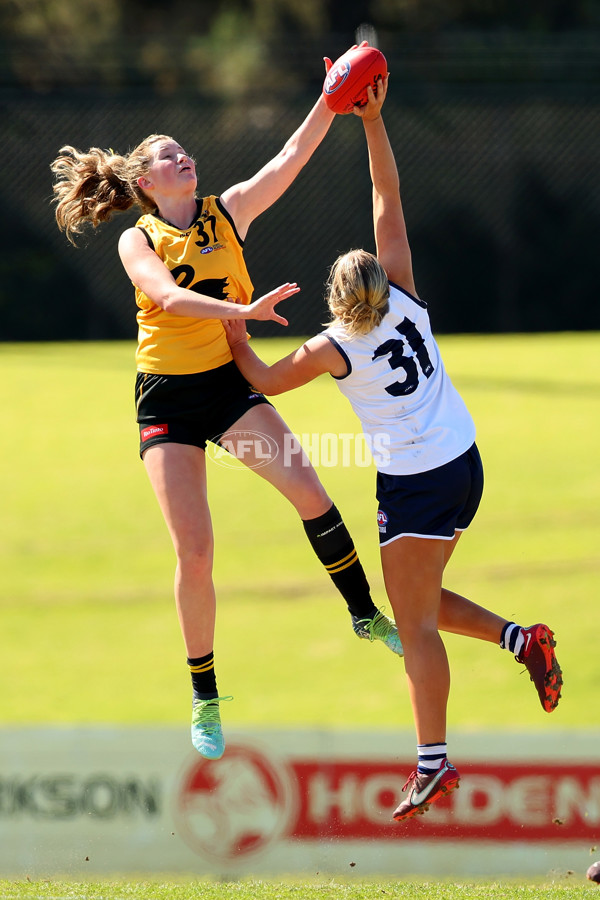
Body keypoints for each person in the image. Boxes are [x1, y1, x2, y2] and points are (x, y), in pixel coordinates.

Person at [223, 74, 563, 821]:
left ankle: (433, 762)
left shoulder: (333, 345)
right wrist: (373, 121)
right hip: (464, 462)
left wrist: (229, 322)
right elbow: (387, 196)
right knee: (421, 602)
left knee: (411, 624)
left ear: (335, 296)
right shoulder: (404, 294)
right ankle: (518, 638)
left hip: (414, 481)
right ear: (379, 282)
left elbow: (264, 381)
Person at [50, 66, 404, 762]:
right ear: (148, 183)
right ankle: (205, 694)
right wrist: (241, 311)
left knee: (311, 492)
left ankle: (364, 614)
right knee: (197, 549)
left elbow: (291, 157)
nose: (183, 158)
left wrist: (334, 98)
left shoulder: (227, 212)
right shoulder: (140, 239)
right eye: (167, 157)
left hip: (223, 385)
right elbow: (170, 299)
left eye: (184, 151)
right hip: (167, 402)